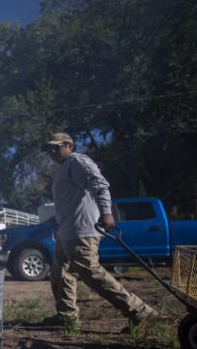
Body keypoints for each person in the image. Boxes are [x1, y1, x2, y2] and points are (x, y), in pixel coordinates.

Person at [42, 132, 160, 331]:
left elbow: (100, 184)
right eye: (49, 149)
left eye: (56, 147)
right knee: (61, 273)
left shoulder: (77, 161)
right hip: (67, 232)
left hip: (82, 231)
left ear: (69, 146)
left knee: (92, 274)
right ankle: (67, 315)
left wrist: (106, 212)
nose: (52, 152)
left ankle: (140, 311)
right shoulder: (64, 169)